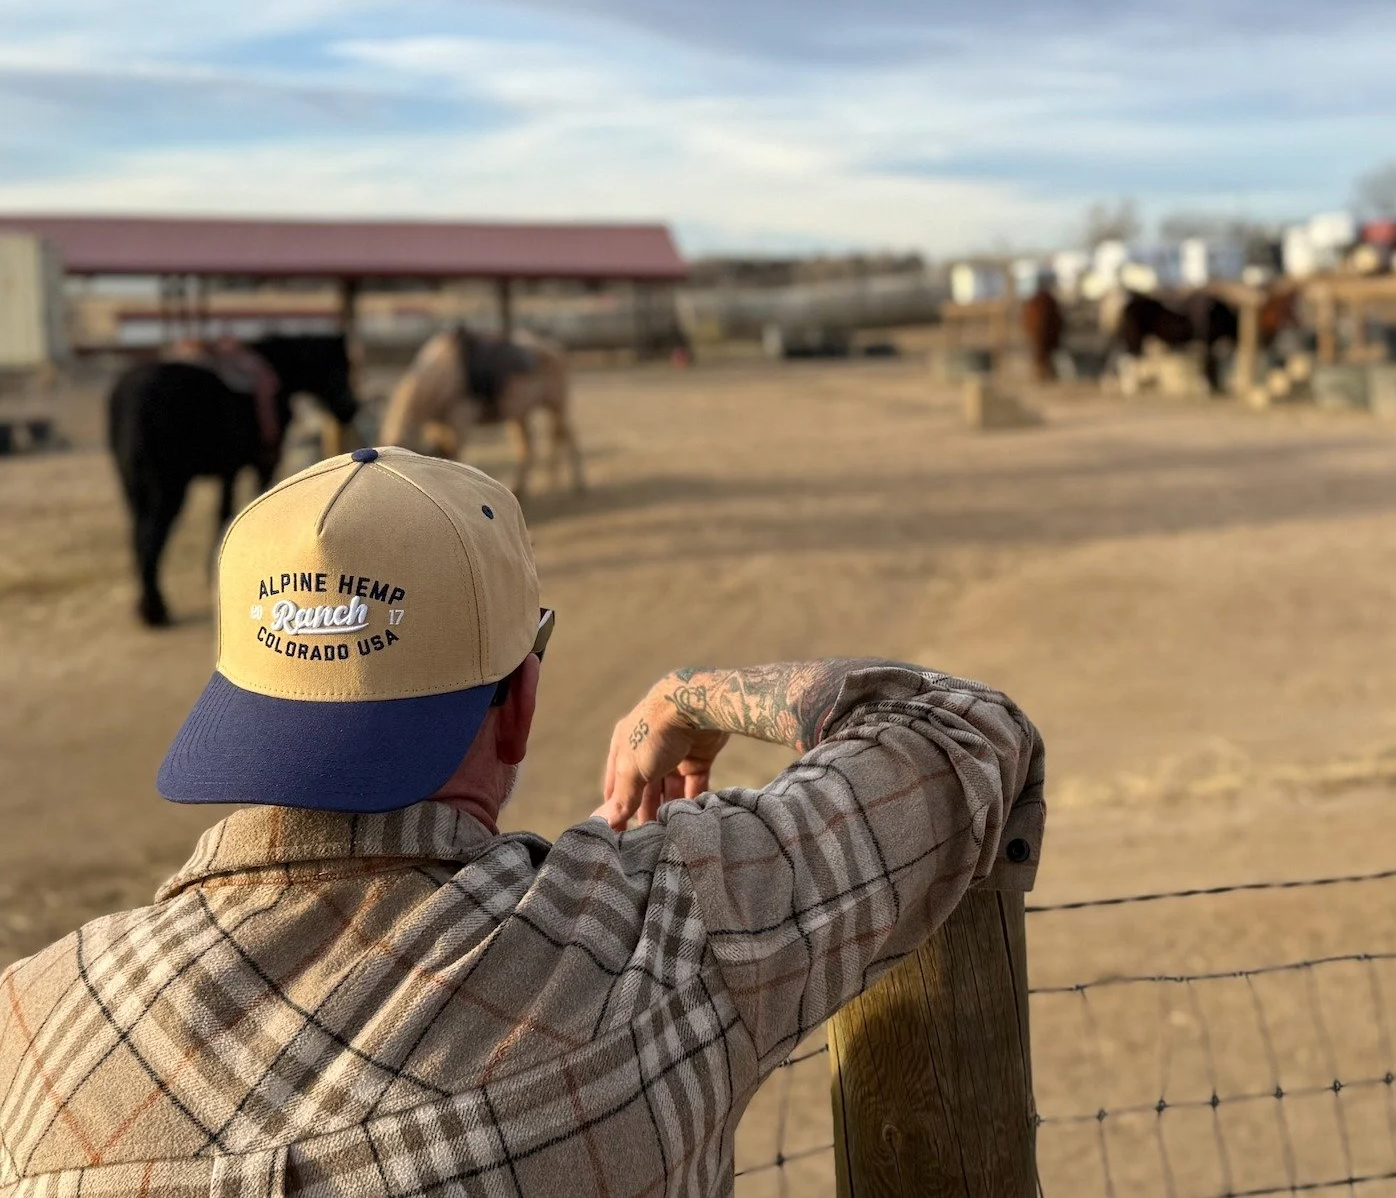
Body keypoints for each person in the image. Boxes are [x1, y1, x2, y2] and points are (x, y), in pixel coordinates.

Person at [0, 447, 1045, 1197]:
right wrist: (688, 694)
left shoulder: (28, 1018)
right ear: (518, 700)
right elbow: (961, 726)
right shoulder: (660, 934)